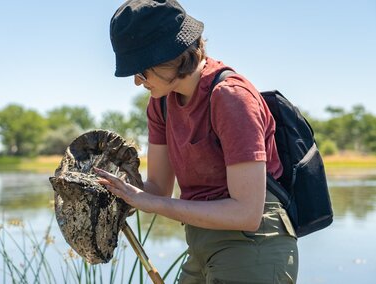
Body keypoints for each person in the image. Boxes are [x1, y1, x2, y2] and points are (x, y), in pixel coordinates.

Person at [94, 0, 298, 283]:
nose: (137, 82)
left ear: (169, 55)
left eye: (141, 70)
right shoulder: (161, 104)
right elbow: (157, 190)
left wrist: (148, 203)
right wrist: (109, 191)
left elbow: (247, 212)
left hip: (253, 244)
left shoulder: (230, 98)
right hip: (200, 243)